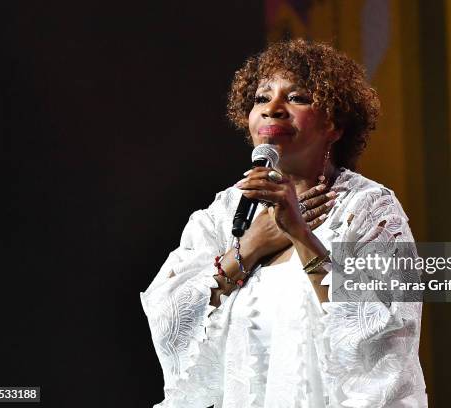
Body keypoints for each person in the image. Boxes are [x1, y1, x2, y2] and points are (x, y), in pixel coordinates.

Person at [140, 39, 427, 407]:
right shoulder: (225, 213)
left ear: (335, 125)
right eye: (262, 99)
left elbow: (383, 337)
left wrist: (301, 234)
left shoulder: (369, 209)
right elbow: (169, 316)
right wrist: (250, 247)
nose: (273, 109)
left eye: (297, 98)